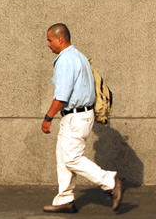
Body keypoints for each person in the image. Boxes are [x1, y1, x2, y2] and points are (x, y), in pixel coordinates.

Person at [41, 23, 123, 213]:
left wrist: (48, 117)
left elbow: (61, 96)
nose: (48, 44)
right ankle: (64, 199)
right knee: (63, 157)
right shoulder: (79, 57)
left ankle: (110, 181)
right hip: (82, 115)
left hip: (76, 117)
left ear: (60, 39)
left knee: (71, 158)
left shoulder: (66, 60)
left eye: (49, 40)